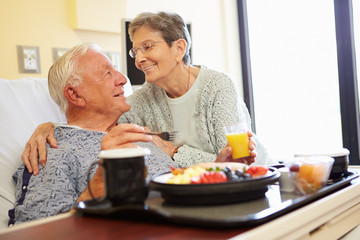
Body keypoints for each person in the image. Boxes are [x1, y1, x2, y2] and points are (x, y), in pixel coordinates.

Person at [21, 11, 272, 175]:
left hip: (258, 175)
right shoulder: (141, 101)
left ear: (178, 48)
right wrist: (50, 126)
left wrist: (173, 151)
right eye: (135, 51)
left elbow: (236, 164)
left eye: (147, 47)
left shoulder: (218, 87)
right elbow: (95, 120)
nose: (139, 59)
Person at [8, 42, 177, 225]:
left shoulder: (136, 129)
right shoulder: (52, 152)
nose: (122, 79)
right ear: (75, 95)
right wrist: (98, 185)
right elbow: (34, 231)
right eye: (107, 73)